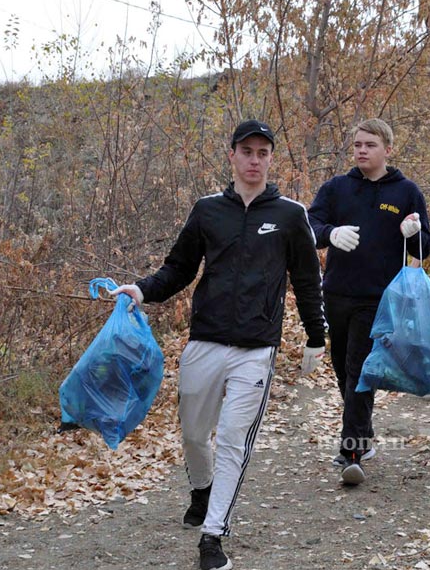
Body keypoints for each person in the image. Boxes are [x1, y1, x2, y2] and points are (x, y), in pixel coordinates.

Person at [109, 120, 326, 570]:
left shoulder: (290, 215)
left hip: (255, 348)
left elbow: (307, 279)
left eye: (262, 152)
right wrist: (143, 291)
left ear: (270, 158)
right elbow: (179, 268)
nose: (254, 159)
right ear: (231, 155)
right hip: (204, 341)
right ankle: (201, 488)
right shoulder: (207, 210)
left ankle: (213, 537)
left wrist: (315, 334)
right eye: (246, 151)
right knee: (193, 433)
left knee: (231, 439)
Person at [308, 118, 430, 485]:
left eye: (370, 145)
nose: (362, 150)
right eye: (358, 144)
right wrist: (331, 233)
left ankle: (352, 449)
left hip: (379, 297)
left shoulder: (406, 191)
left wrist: (414, 233)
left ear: (387, 150)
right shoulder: (336, 189)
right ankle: (364, 429)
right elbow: (309, 229)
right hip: (337, 292)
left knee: (359, 367)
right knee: (344, 370)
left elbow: (425, 245)